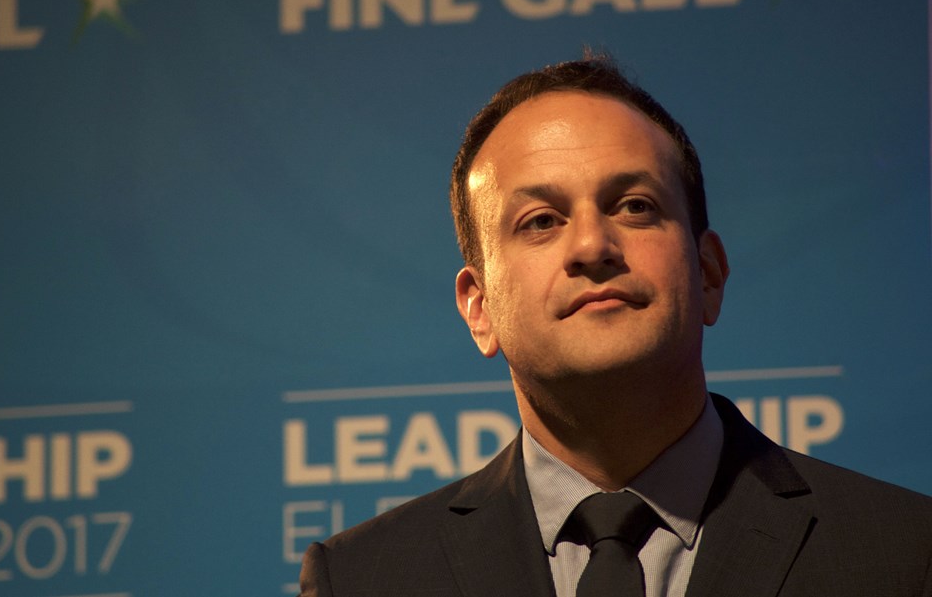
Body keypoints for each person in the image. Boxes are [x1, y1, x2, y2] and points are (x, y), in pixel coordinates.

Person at [297, 54, 932, 596]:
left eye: (635, 206)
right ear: (480, 307)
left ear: (708, 274)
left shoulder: (906, 554)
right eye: (540, 221)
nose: (592, 246)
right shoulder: (362, 579)